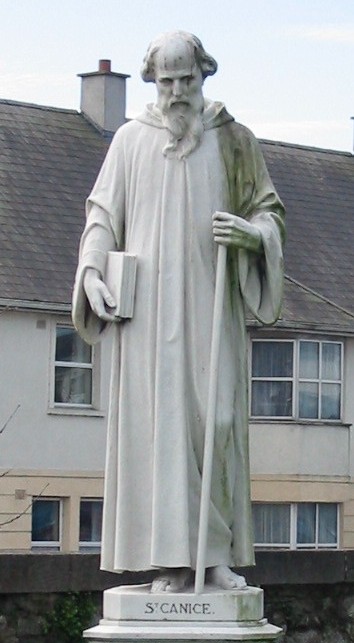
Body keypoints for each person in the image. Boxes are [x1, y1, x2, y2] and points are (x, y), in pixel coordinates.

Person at [72, 30, 285, 593]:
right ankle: (171, 560)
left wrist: (250, 236)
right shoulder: (130, 141)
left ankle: (213, 554)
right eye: (166, 82)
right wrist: (92, 272)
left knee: (212, 424)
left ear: (203, 75)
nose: (176, 92)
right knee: (159, 434)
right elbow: (102, 214)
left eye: (185, 79)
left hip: (212, 310)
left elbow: (269, 213)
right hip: (146, 322)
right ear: (153, 83)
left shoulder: (234, 140)